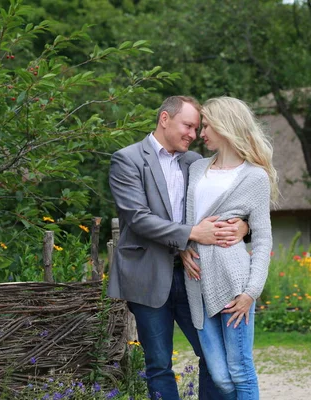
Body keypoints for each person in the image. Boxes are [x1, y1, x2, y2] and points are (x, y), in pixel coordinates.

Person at [107, 95, 249, 400]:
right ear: (164, 119)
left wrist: (244, 226)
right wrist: (191, 234)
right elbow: (139, 219)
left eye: (197, 128)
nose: (193, 134)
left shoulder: (195, 162)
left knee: (213, 356)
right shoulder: (127, 160)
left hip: (194, 275)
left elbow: (227, 202)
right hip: (147, 276)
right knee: (158, 365)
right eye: (188, 125)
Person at [181, 96, 279, 400]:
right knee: (220, 377)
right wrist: (183, 245)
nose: (202, 133)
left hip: (235, 285)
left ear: (225, 126)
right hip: (196, 281)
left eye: (207, 125)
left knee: (240, 370)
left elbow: (262, 237)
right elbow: (186, 219)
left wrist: (251, 292)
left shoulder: (255, 176)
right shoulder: (197, 168)